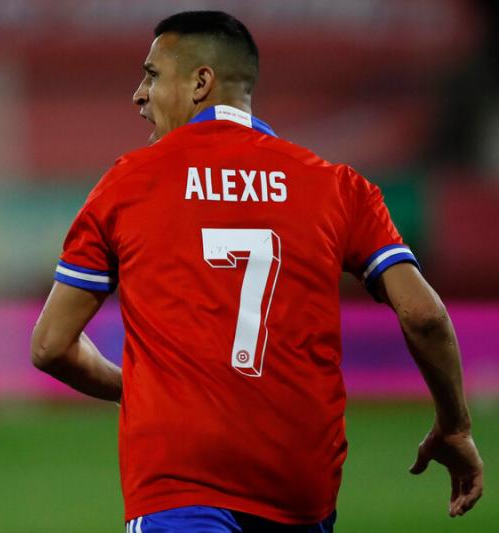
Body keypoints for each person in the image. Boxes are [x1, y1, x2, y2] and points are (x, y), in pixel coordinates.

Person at [30, 10, 483, 532]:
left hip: (178, 479)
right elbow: (425, 315)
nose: (138, 94)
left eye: (152, 75)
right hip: (299, 487)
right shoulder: (337, 186)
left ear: (201, 82)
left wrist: (132, 386)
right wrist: (454, 423)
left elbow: (50, 346)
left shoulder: (129, 183)